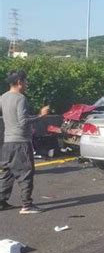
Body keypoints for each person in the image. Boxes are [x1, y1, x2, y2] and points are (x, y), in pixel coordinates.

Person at [0, 70, 50, 213]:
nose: (27, 84)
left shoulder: (2, 97)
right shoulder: (20, 98)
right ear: (20, 82)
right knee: (25, 173)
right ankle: (27, 205)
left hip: (8, 142)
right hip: (20, 142)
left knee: (7, 173)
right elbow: (23, 121)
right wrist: (40, 115)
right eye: (26, 81)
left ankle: (1, 201)